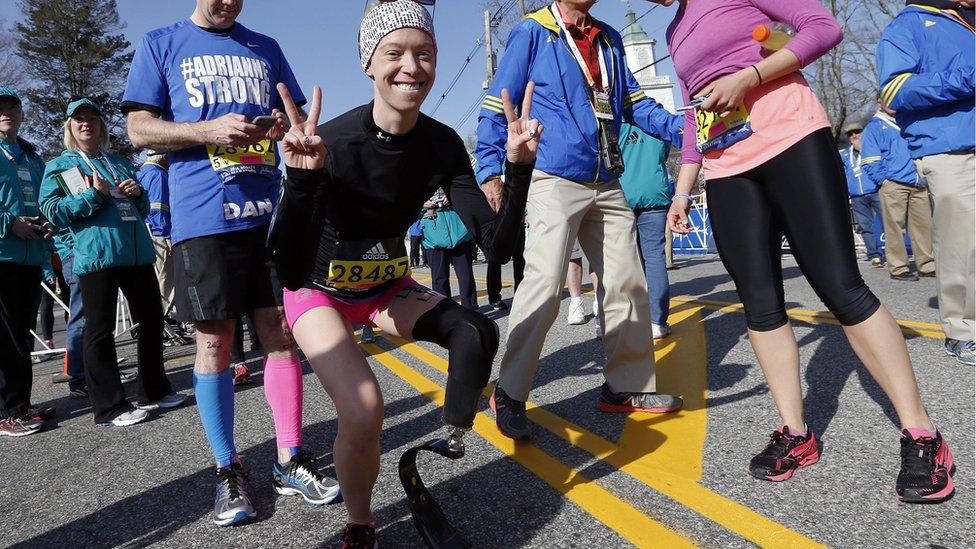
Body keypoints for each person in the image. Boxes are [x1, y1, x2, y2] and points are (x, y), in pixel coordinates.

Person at [658, 0, 955, 503]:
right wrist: (683, 193)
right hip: (727, 166)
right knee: (759, 302)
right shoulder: (673, 30)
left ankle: (922, 434)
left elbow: (824, 28)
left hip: (792, 136)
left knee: (840, 286)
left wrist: (750, 75)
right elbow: (693, 116)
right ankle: (796, 433)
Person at [269, 1, 538, 543]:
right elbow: (291, 269)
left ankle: (454, 437)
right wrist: (301, 181)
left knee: (476, 329)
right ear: (370, 62)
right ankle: (360, 525)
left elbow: (498, 246)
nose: (411, 67)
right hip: (318, 290)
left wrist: (518, 168)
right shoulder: (335, 143)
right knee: (366, 409)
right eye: (394, 53)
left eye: (425, 54)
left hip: (385, 286)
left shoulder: (441, 144)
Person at [122, 0, 340, 525]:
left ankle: (290, 458)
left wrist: (285, 132)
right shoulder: (161, 43)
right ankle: (228, 469)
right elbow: (138, 130)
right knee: (215, 342)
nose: (227, 2)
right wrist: (207, 131)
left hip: (268, 213)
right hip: (203, 216)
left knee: (281, 334)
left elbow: (291, 118)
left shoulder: (264, 47)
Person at [476, 0, 685, 441]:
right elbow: (501, 101)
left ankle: (625, 386)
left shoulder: (608, 38)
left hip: (607, 178)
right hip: (553, 175)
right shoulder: (532, 31)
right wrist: (490, 169)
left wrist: (688, 130)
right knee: (545, 283)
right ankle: (509, 393)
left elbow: (635, 104)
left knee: (628, 281)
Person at [40, 98, 186, 428]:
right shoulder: (59, 166)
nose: (86, 123)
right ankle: (110, 407)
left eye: (92, 118)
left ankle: (155, 390)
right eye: (79, 119)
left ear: (102, 126)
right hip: (97, 257)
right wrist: (93, 195)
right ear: (70, 127)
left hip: (135, 254)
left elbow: (145, 209)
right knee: (99, 332)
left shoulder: (118, 161)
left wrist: (137, 194)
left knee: (152, 322)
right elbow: (52, 212)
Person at [877, 0, 974, 366]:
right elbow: (893, 90)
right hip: (951, 148)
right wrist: (966, 77)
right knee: (964, 241)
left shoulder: (967, 21)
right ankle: (963, 331)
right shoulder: (910, 25)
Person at [0, 86, 56, 437]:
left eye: (12, 106)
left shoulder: (33, 158)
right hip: (2, 255)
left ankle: (22, 403)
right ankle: (6, 411)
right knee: (4, 336)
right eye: (0, 107)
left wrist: (47, 222)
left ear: (21, 114)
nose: (6, 112)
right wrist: (9, 223)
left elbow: (44, 200)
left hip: (31, 256)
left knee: (21, 333)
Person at [860, 101, 935, 282]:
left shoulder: (909, 120)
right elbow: (870, 158)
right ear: (879, 102)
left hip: (918, 182)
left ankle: (927, 265)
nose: (893, 104)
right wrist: (884, 180)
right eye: (888, 100)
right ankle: (899, 267)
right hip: (894, 183)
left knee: (924, 226)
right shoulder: (874, 127)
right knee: (895, 228)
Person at [619, 122, 675, 339]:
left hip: (623, 194)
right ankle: (657, 321)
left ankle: (621, 318)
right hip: (654, 193)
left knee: (624, 259)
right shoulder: (655, 121)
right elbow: (664, 152)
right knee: (655, 258)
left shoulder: (615, 122)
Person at [422, 190, 478, 311]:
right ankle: (444, 313)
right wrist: (422, 203)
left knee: (466, 276)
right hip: (433, 237)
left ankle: (472, 311)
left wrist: (454, 196)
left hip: (460, 233)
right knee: (439, 280)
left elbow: (470, 195)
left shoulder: (455, 175)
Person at [840, 122, 885, 269]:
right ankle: (875, 255)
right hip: (856, 195)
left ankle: (892, 253)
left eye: (857, 132)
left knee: (888, 223)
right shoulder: (845, 154)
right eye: (850, 134)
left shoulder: (871, 147)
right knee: (865, 226)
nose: (854, 135)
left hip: (875, 190)